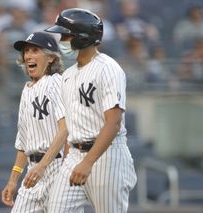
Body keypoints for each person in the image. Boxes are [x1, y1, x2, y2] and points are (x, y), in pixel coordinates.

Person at [43, 8, 137, 213]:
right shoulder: (67, 75)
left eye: (66, 35)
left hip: (107, 156)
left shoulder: (108, 68)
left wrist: (88, 162)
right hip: (75, 154)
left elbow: (113, 123)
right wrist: (71, 159)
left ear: (82, 37)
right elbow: (71, 125)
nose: (62, 40)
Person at [1, 31, 67, 212]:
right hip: (33, 170)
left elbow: (65, 129)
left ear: (51, 58)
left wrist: (43, 166)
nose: (28, 55)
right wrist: (13, 180)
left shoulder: (57, 82)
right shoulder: (27, 90)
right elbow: (23, 143)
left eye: (35, 50)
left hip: (57, 168)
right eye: (26, 51)